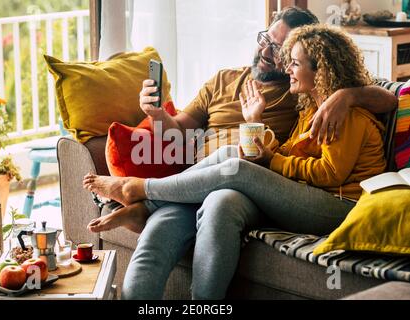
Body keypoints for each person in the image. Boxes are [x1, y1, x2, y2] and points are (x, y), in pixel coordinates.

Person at [85, 7, 396, 300]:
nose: (266, 51)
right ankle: (150, 203)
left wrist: (346, 96)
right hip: (195, 185)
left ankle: (143, 194)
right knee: (157, 238)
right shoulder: (233, 81)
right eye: (265, 39)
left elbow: (388, 99)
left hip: (257, 189)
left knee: (228, 183)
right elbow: (178, 133)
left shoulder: (306, 97)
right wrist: (155, 114)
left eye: (280, 51)